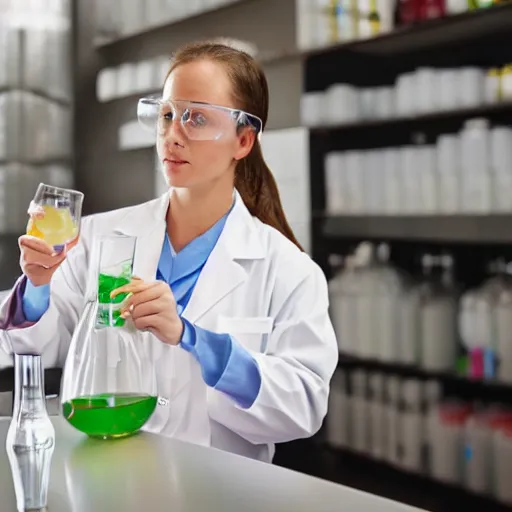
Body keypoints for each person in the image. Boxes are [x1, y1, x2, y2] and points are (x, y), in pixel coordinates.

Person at [0, 40, 338, 462]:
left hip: (220, 493)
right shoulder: (98, 236)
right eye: (166, 115)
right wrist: (37, 284)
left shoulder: (289, 270)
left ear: (244, 140)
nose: (173, 134)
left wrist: (192, 338)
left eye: (196, 118)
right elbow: (31, 347)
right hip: (106, 477)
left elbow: (302, 407)